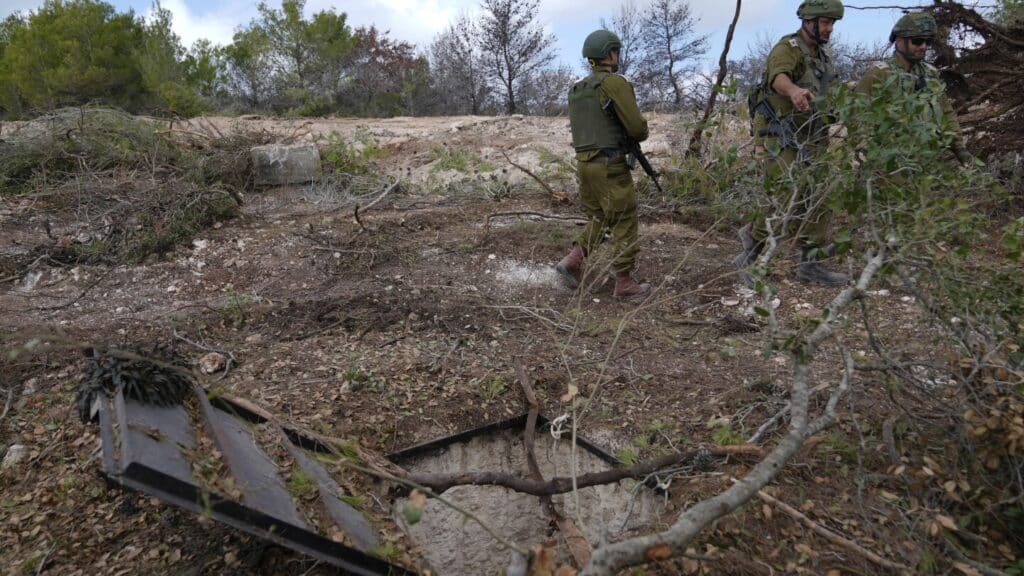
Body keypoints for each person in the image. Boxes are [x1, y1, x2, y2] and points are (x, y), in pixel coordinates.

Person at [736, 0, 849, 287]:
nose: (829, 29)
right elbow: (778, 78)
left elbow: (831, 91)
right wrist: (794, 90)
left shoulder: (822, 57)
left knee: (819, 195)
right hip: (782, 131)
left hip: (812, 133)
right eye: (825, 22)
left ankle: (810, 265)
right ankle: (751, 257)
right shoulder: (788, 48)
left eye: (832, 23)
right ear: (809, 21)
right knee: (782, 196)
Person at [555, 29, 651, 302]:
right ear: (610, 54)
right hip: (610, 165)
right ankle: (624, 283)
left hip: (585, 166)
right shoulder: (614, 84)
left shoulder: (577, 90)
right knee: (624, 218)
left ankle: (572, 261)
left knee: (601, 217)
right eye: (616, 51)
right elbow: (637, 128)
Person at [854, 12, 973, 166]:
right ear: (899, 40)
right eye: (917, 41)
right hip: (890, 163)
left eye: (927, 42)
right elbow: (858, 114)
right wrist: (868, 153)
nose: (923, 47)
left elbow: (946, 113)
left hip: (929, 161)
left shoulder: (930, 74)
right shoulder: (879, 74)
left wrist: (960, 149)